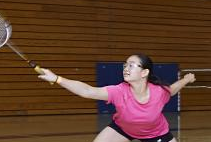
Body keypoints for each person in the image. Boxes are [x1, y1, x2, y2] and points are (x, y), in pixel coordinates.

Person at [37, 54, 195, 142]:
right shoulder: (119, 91)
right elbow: (88, 91)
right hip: (122, 129)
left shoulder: (158, 92)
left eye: (131, 65)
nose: (126, 68)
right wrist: (57, 79)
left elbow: (172, 89)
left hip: (156, 134)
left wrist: (186, 79)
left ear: (144, 72)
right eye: (125, 65)